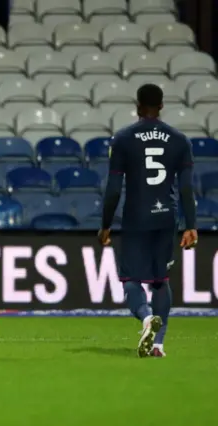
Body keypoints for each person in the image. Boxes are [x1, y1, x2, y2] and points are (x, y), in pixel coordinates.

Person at [98, 83, 197, 358]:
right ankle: (158, 344)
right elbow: (187, 188)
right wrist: (191, 225)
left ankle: (145, 318)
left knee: (130, 279)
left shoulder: (124, 139)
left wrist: (105, 224)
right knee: (160, 280)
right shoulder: (179, 141)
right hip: (167, 218)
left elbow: (114, 188)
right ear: (162, 106)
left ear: (138, 106)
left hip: (136, 218)